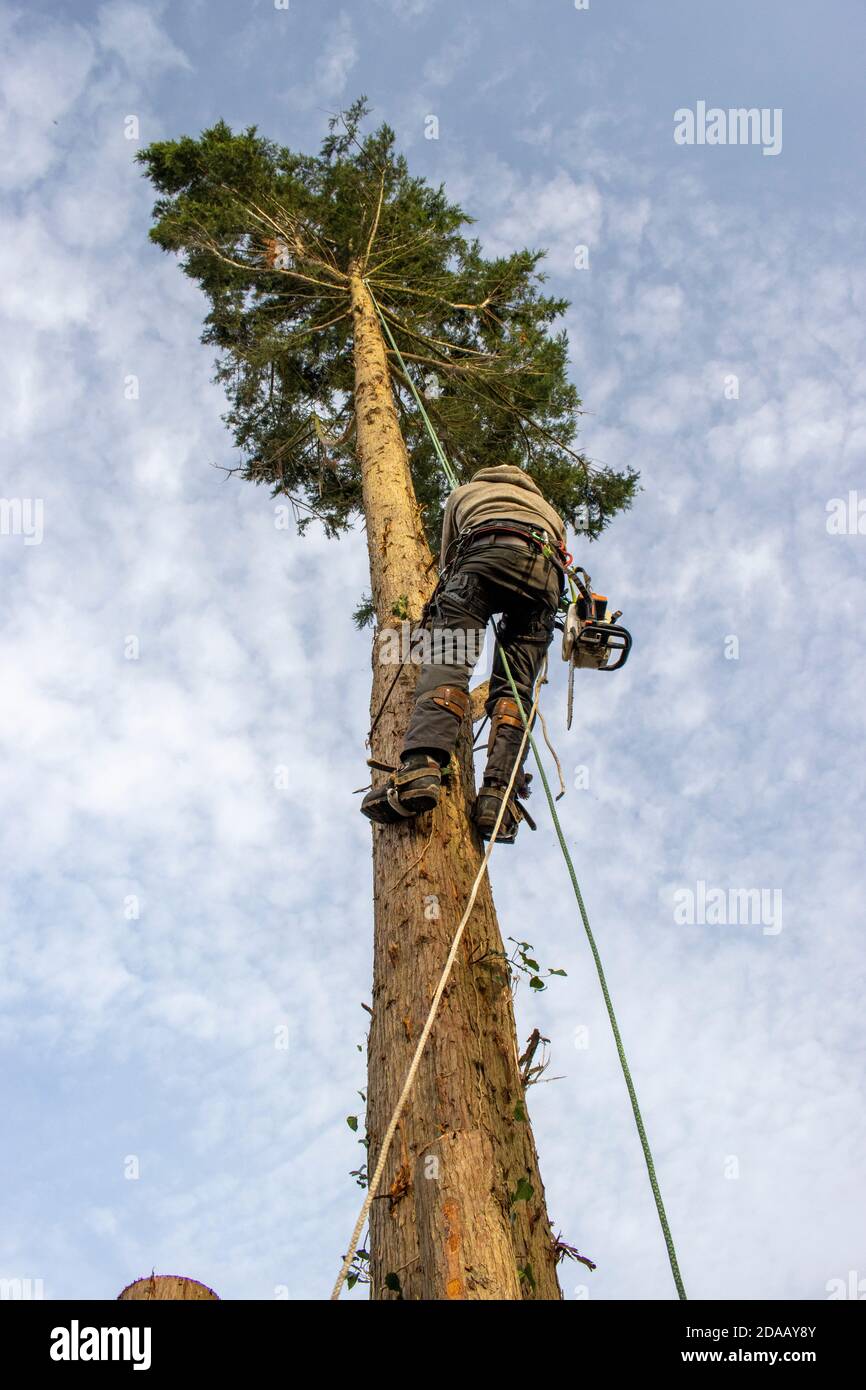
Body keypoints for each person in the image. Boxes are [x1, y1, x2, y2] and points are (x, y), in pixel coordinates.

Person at [361, 464, 568, 844]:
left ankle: (421, 766)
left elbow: (449, 559)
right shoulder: (548, 510)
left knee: (449, 662)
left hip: (483, 559)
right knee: (516, 693)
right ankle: (499, 796)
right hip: (545, 579)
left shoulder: (463, 495)